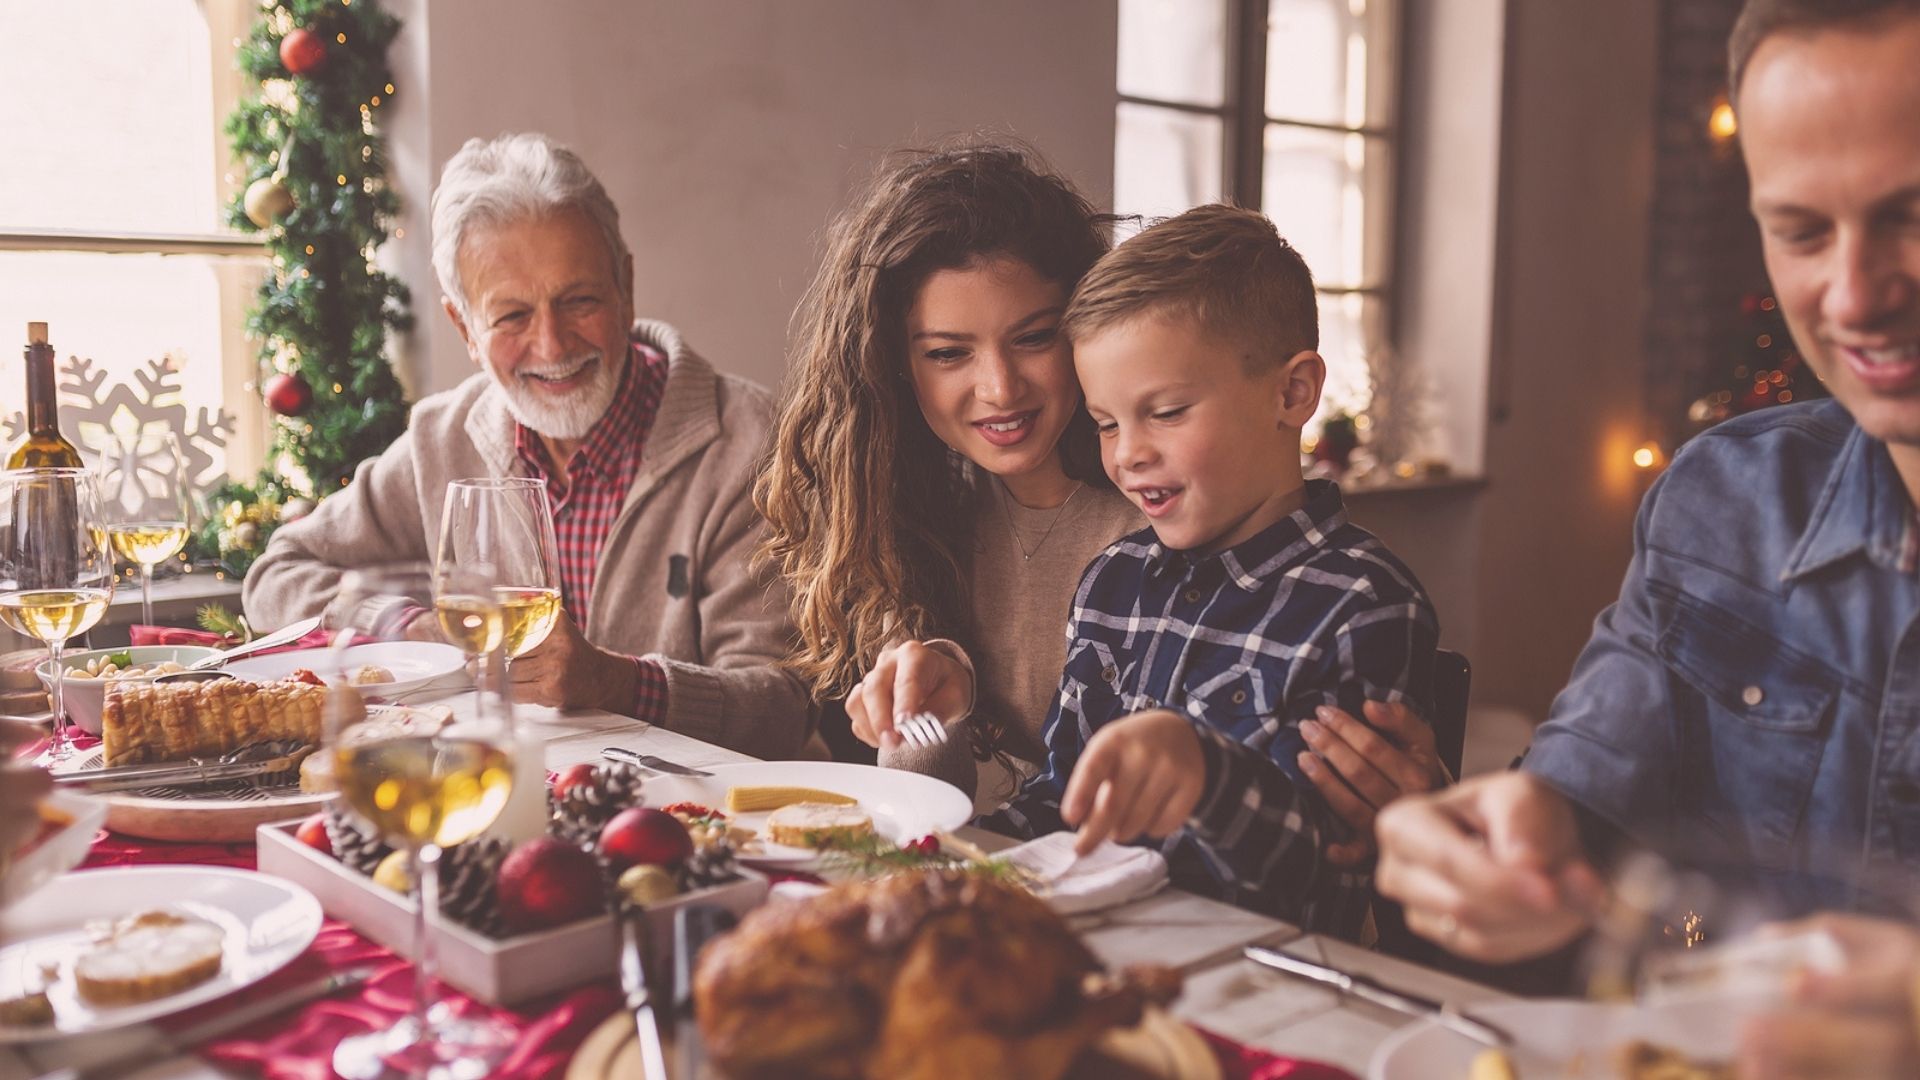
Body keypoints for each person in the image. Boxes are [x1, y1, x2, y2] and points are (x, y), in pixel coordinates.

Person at [1374, 0, 1920, 976]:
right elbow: (1585, 806)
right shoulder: (1724, 499)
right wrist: (1521, 843)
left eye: (1912, 216)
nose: (1854, 297)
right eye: (1799, 233)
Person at [244, 133, 809, 756]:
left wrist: (622, 683)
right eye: (512, 316)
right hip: (489, 794)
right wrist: (413, 628)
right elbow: (276, 575)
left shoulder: (751, 443)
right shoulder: (442, 437)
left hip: (693, 819)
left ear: (625, 286)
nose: (553, 345)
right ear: (464, 326)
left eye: (581, 300)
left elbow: (785, 706)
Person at [988, 204, 1439, 937]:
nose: (1127, 453)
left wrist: (1207, 774)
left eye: (1164, 412)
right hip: (1084, 952)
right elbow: (1060, 801)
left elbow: (1323, 876)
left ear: (1292, 394)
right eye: (1106, 423)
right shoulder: (1111, 582)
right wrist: (944, 858)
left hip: (1251, 983)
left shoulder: (1363, 604)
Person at [757, 142, 1150, 809]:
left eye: (1033, 338)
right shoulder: (912, 519)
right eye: (948, 353)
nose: (999, 388)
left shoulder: (1162, 509)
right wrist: (929, 721)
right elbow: (939, 809)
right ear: (894, 367)